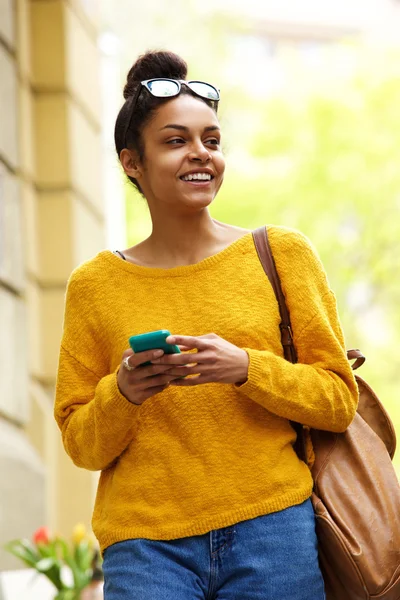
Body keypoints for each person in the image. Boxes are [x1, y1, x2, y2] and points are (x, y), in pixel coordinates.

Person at [54, 50, 358, 600]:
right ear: (132, 162)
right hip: (146, 548)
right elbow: (81, 445)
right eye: (176, 141)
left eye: (211, 140)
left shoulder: (281, 254)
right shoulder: (94, 285)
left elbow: (339, 399)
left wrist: (246, 368)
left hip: (273, 531)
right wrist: (124, 391)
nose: (201, 155)